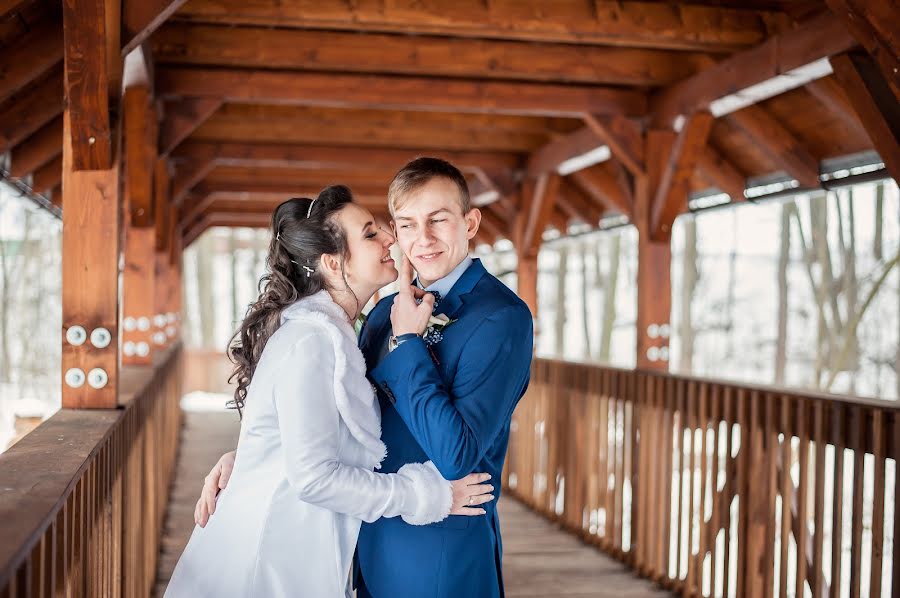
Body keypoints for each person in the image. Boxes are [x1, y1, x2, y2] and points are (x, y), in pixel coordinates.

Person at [198, 158, 534, 597]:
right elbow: (337, 415)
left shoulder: (501, 317)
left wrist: (410, 344)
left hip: (438, 550)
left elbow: (459, 456)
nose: (421, 239)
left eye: (438, 220)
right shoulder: (379, 314)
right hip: (363, 542)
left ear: (470, 223)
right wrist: (257, 455)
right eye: (406, 224)